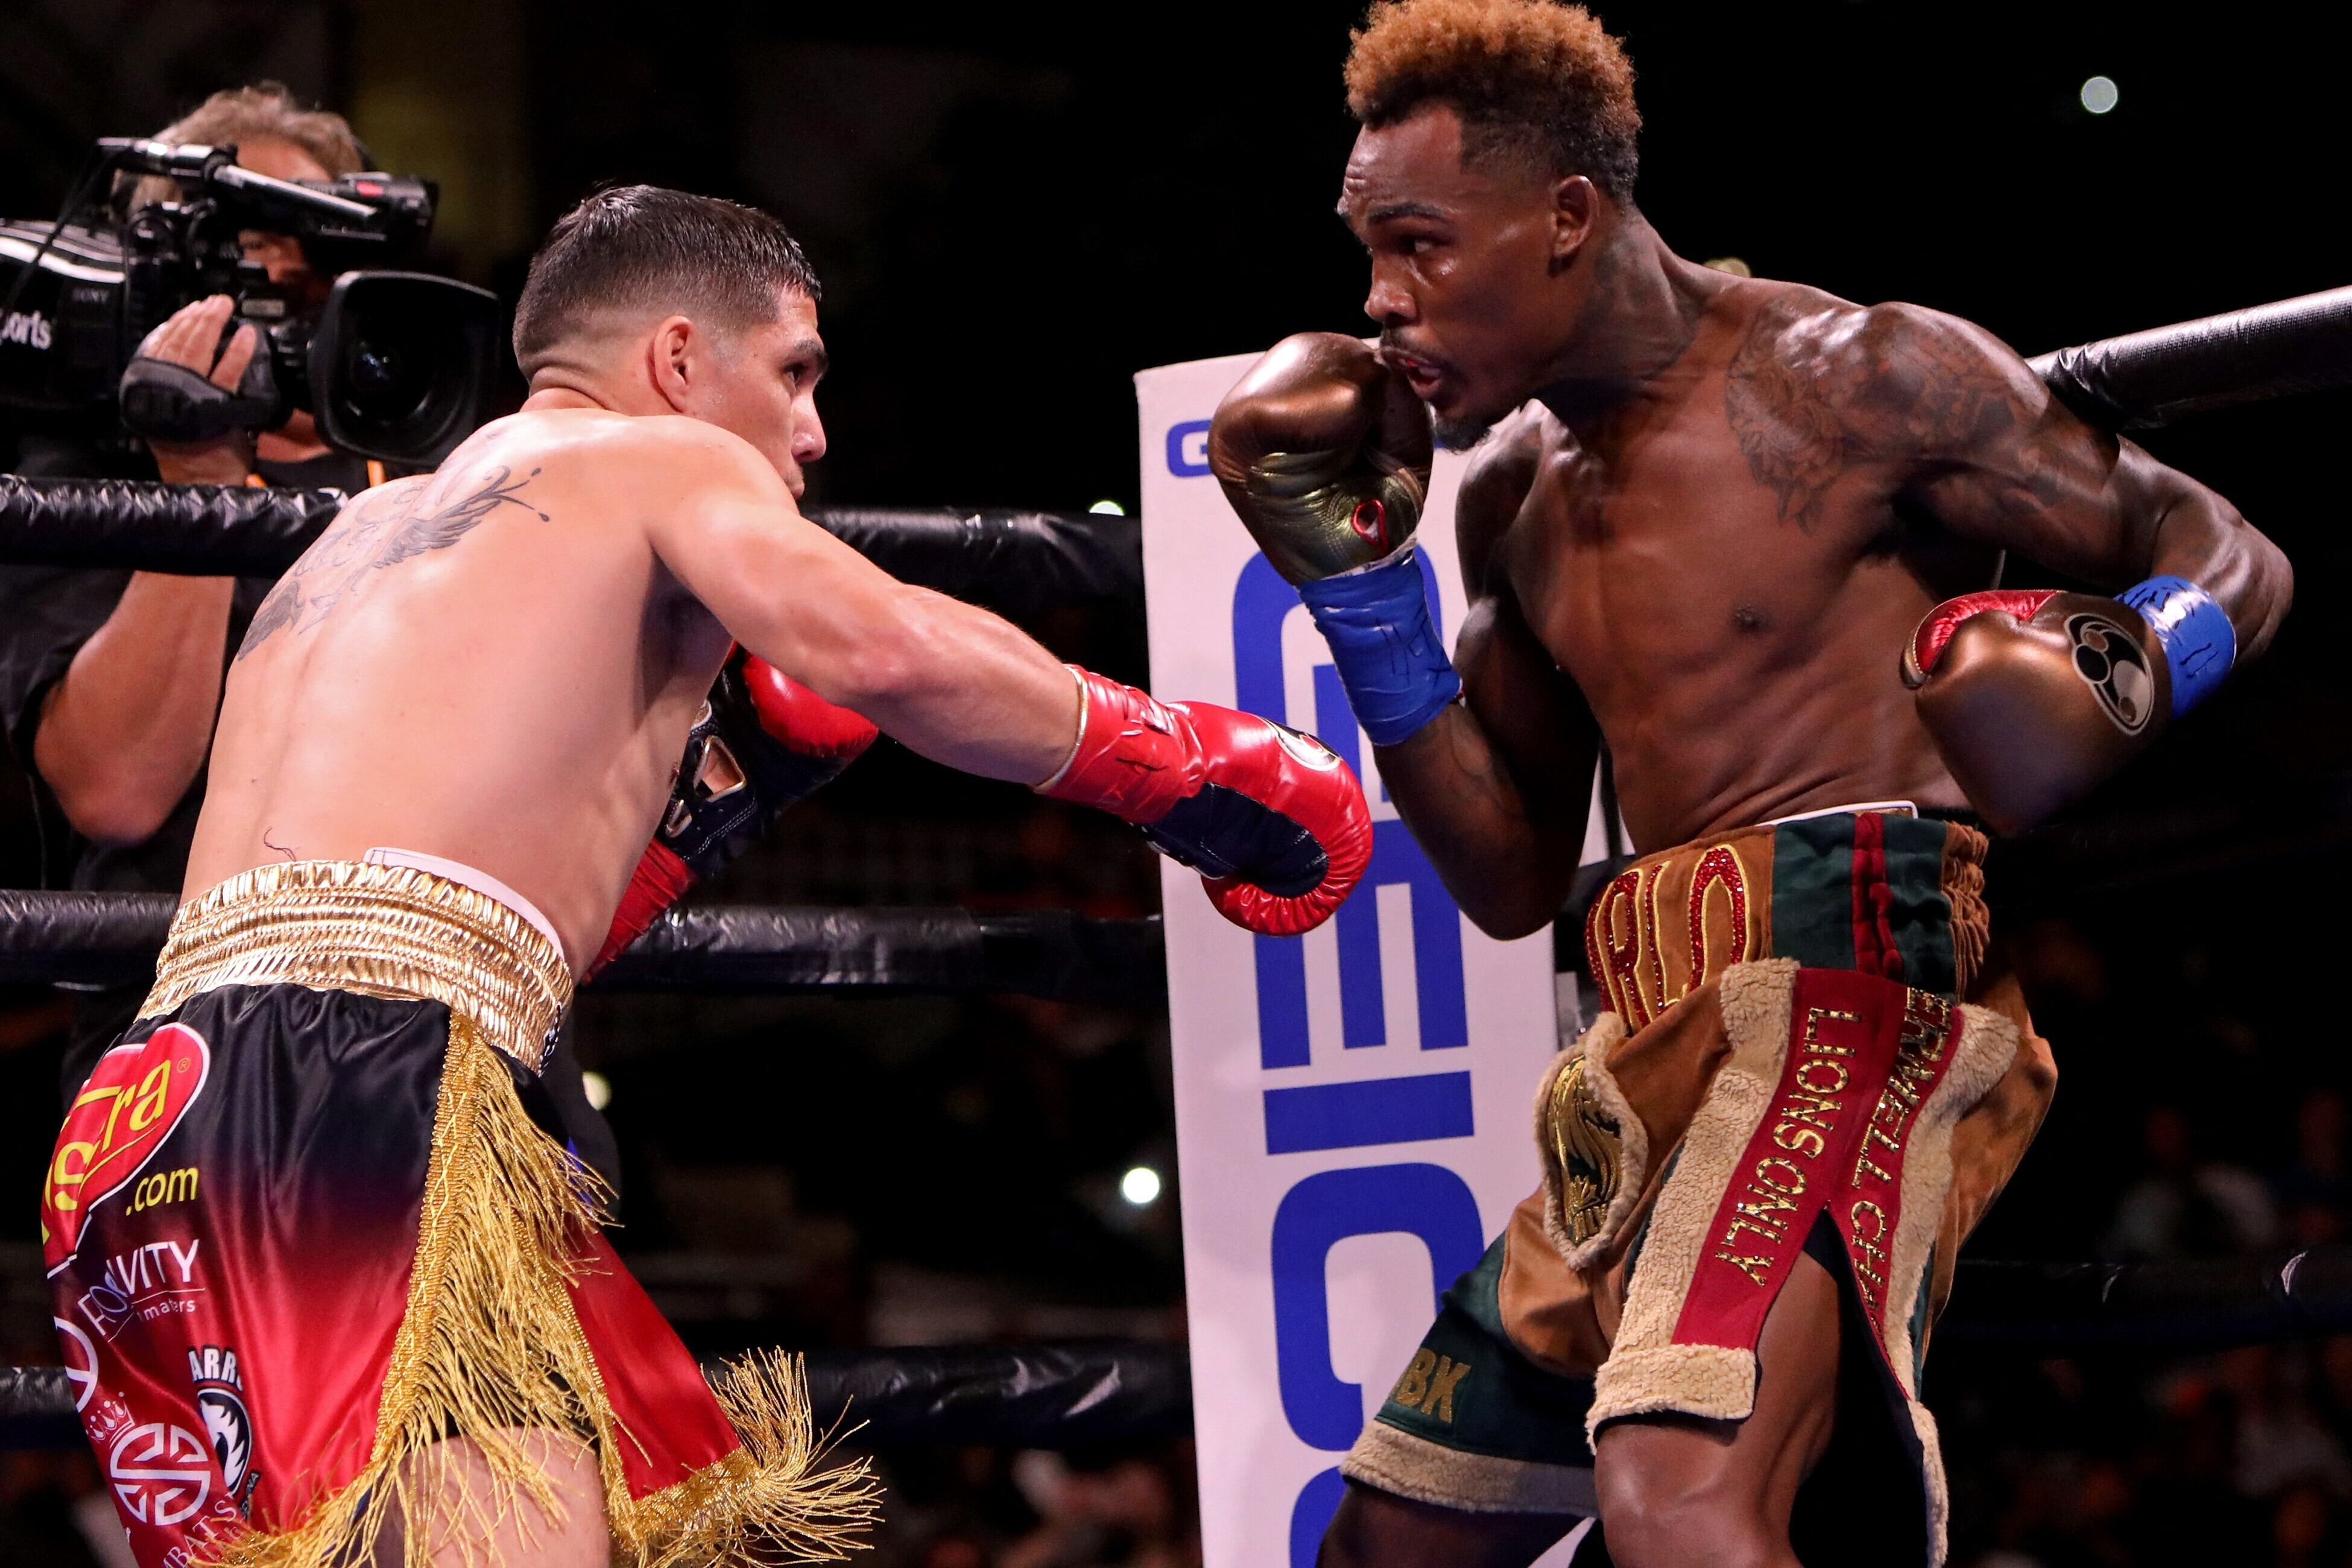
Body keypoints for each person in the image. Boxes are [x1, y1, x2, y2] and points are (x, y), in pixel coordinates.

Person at [40, 183, 1371, 1568]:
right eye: (794, 372)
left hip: (148, 1113)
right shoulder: (659, 461)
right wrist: (1185, 767)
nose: (813, 431)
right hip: (376, 1081)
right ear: (677, 362)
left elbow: (394, 893)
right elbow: (891, 651)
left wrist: (683, 831)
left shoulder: (353, 544)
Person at [1207, 2, 2292, 1565]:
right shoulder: (1510, 497)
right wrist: (1359, 604)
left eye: (1422, 245)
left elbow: (2230, 552)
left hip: (1852, 991)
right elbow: (1510, 876)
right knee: (1389, 1542)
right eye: (1369, 250)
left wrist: (2126, 663)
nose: (1382, 302)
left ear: (1567, 218)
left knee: (1676, 1498)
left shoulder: (1849, 381)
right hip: (1640, 1041)